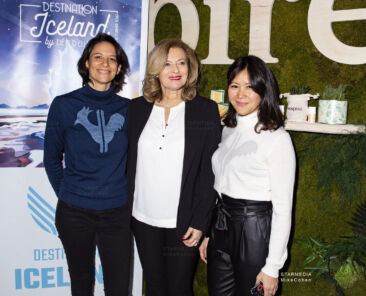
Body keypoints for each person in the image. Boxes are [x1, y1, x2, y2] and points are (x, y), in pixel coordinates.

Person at [127, 38, 221, 296]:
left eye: (182, 63)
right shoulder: (135, 109)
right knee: (154, 287)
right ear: (156, 69)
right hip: (142, 217)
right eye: (167, 64)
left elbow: (209, 172)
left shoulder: (205, 110)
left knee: (180, 288)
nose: (175, 70)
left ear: (190, 69)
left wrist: (202, 221)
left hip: (184, 221)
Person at [199, 55, 296, 296]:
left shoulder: (277, 138)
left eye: (250, 86)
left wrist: (273, 267)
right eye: (235, 86)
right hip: (221, 226)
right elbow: (222, 185)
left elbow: (283, 210)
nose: (241, 94)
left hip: (254, 231)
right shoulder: (229, 128)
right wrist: (211, 234)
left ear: (264, 90)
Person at [44, 33, 131, 296]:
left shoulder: (130, 109)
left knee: (118, 287)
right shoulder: (65, 105)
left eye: (112, 59)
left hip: (117, 213)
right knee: (81, 284)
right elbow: (51, 159)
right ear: (86, 64)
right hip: (75, 213)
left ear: (118, 68)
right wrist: (70, 195)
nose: (104, 63)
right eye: (98, 57)